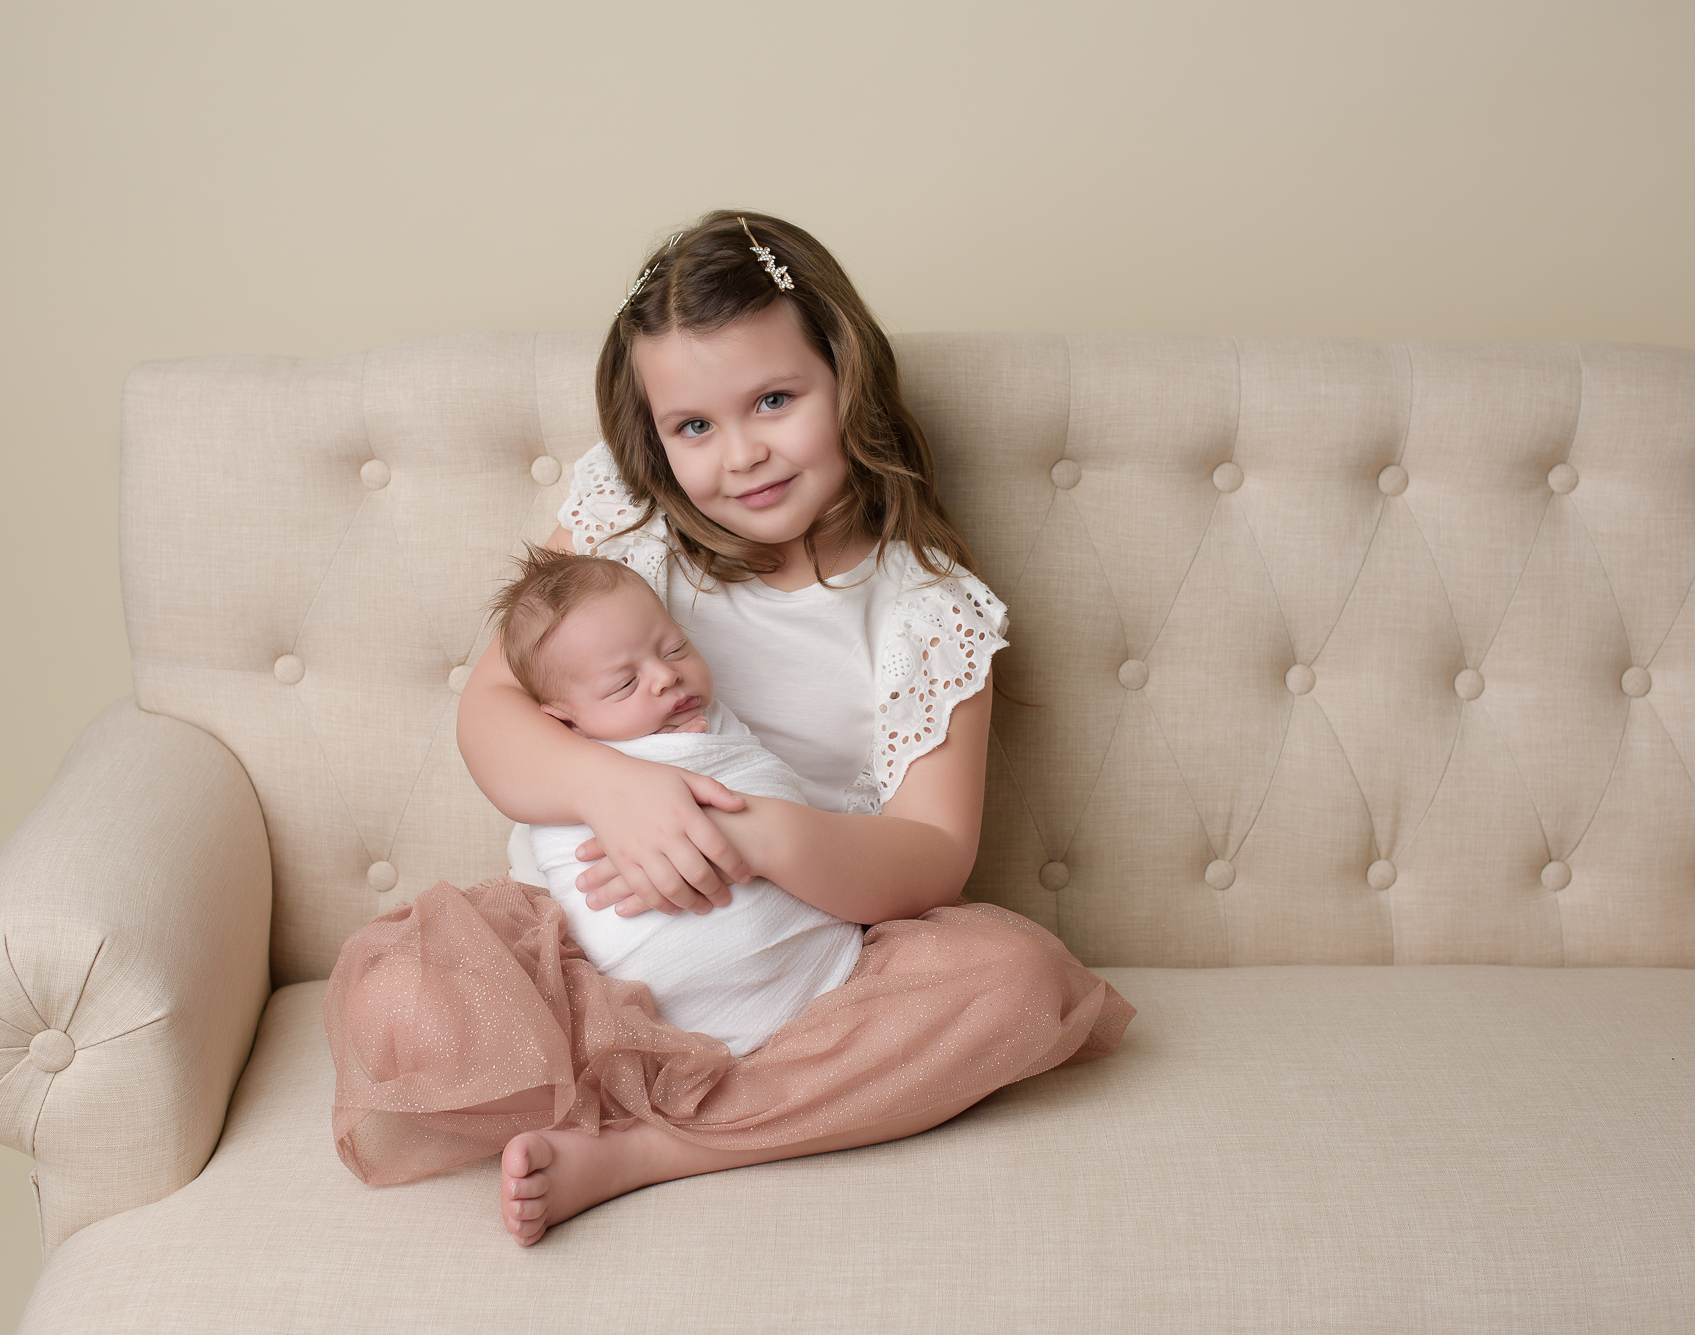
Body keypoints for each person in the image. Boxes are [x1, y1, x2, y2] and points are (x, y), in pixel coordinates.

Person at [323, 210, 1134, 1247]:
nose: (741, 454)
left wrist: (751, 838)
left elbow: (933, 858)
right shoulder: (629, 529)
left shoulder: (926, 608)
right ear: (652, 433)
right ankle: (616, 1078)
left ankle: (650, 1150)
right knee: (404, 999)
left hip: (802, 977)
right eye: (693, 427)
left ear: (847, 378)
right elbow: (490, 714)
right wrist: (611, 787)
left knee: (1013, 987)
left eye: (774, 401)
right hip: (586, 963)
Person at [490, 544, 864, 1058]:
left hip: (824, 984)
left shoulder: (718, 725)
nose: (666, 676)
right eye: (624, 683)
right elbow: (544, 872)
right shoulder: (560, 770)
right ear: (565, 721)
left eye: (674, 649)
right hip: (647, 1022)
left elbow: (768, 788)